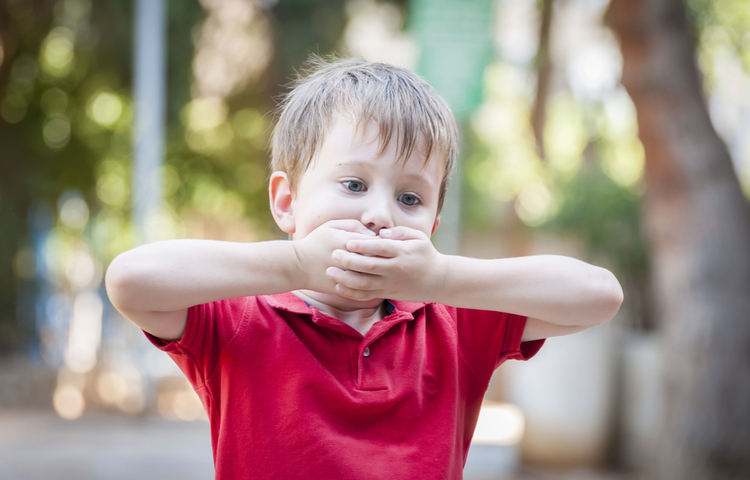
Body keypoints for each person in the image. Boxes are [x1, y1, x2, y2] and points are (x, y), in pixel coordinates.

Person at [105, 57, 623, 479]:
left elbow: (600, 296)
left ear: (434, 224)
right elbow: (130, 281)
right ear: (286, 202)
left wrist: (441, 278)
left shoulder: (455, 321)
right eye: (353, 185)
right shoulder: (240, 321)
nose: (379, 214)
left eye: (410, 197)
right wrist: (294, 266)